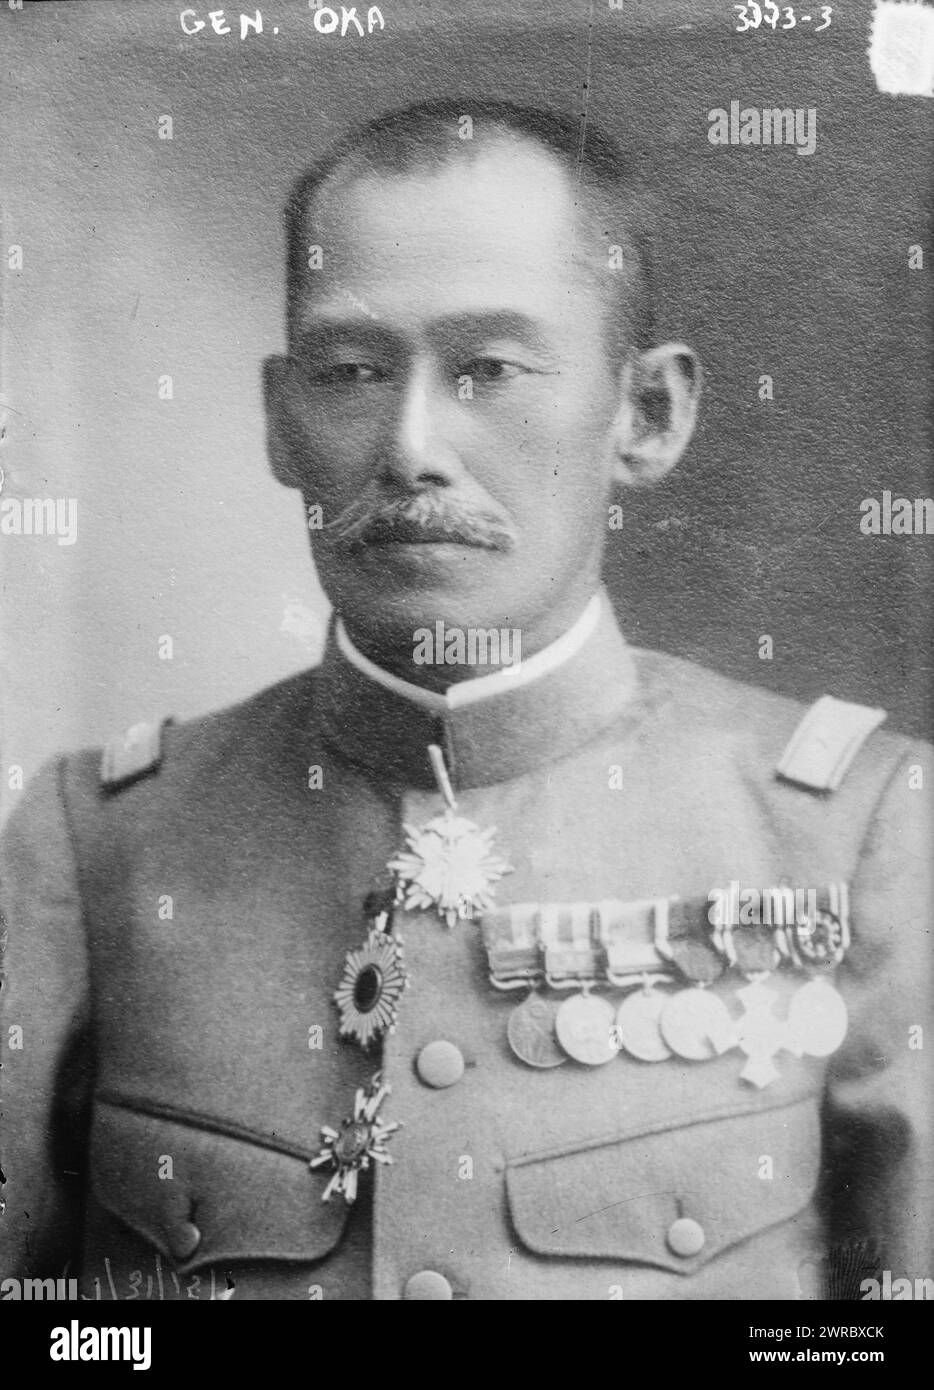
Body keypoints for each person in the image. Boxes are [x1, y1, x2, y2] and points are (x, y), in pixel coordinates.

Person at [1, 99, 930, 1302]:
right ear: (282, 419)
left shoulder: (861, 831)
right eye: (350, 371)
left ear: (648, 414)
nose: (412, 446)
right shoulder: (98, 843)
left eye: (488, 367)